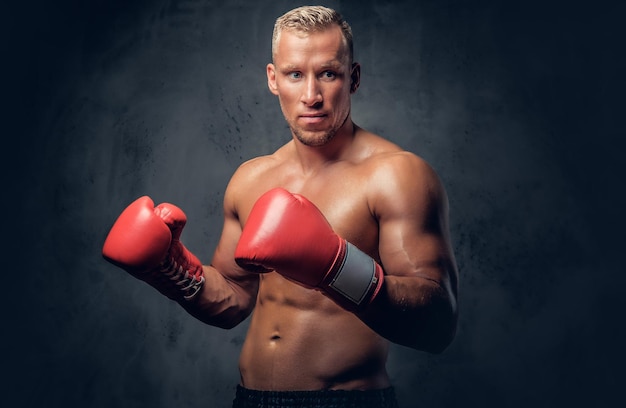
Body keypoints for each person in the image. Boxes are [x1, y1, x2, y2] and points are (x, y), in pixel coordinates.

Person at [102, 5, 459, 408]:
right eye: (295, 74)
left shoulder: (396, 175)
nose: (312, 96)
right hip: (249, 399)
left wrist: (336, 266)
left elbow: (438, 325)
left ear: (353, 77)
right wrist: (171, 269)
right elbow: (234, 298)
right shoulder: (251, 178)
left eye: (328, 73)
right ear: (273, 79)